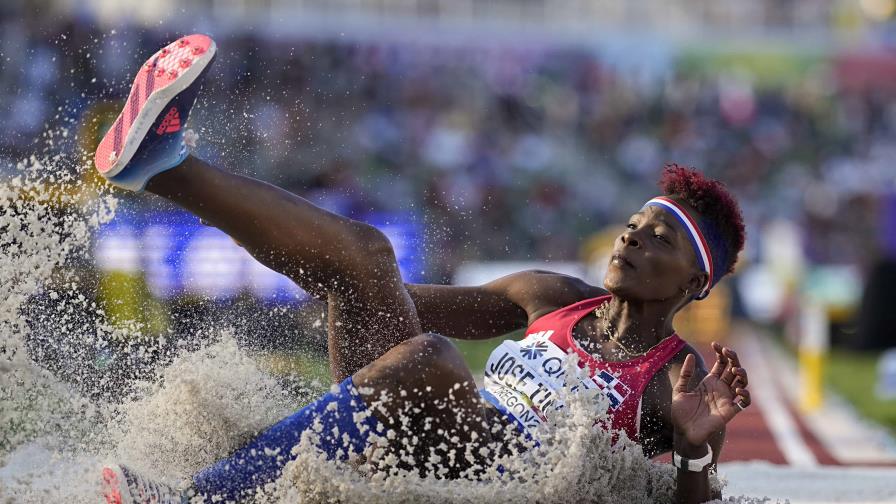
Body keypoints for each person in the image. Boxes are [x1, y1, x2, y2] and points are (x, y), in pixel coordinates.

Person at [96, 35, 751, 504]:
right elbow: (385, 299)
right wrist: (330, 268)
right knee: (366, 261)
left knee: (435, 357)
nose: (632, 237)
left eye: (659, 237)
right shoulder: (551, 295)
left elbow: (698, 498)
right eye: (635, 222)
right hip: (420, 442)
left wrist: (695, 447)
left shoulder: (677, 376)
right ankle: (164, 167)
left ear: (693, 282)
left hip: (506, 482)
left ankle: (199, 500)